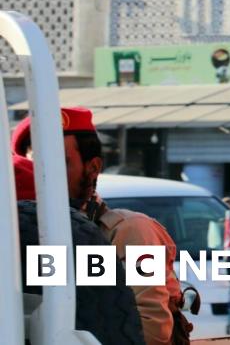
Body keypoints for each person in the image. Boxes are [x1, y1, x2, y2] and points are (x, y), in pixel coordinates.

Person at [18, 107, 190, 344]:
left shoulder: (129, 231)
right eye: (34, 165)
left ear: (93, 167)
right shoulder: (23, 238)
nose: (43, 177)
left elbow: (151, 331)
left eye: (59, 164)